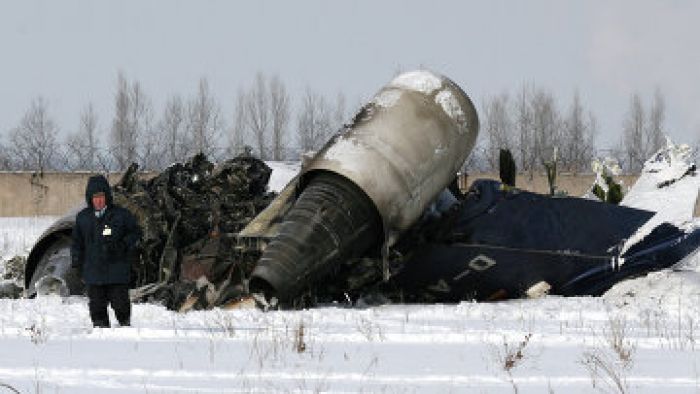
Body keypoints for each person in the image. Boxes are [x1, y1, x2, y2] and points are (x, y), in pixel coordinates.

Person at [71, 175, 141, 328]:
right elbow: (77, 242)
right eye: (95, 197)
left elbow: (135, 233)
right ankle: (101, 334)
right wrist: (76, 262)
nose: (99, 200)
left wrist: (123, 245)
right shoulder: (83, 218)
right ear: (90, 198)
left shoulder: (121, 215)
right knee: (96, 306)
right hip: (93, 271)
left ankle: (125, 326)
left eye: (101, 196)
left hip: (117, 270)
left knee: (120, 303)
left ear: (107, 196)